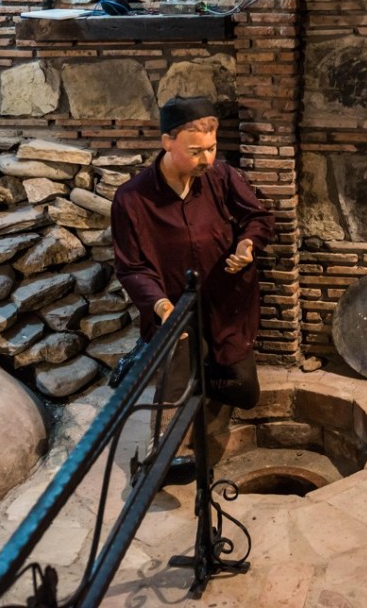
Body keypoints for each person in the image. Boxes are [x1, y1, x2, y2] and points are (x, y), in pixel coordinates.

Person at [111, 96, 275, 475]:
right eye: (196, 151)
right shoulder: (131, 199)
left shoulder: (221, 178)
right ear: (167, 142)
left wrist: (247, 245)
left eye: (211, 148)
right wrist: (160, 306)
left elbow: (259, 218)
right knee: (174, 382)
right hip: (174, 309)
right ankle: (158, 461)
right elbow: (131, 268)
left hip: (224, 305)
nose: (206, 160)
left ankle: (187, 377)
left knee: (245, 392)